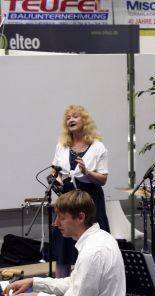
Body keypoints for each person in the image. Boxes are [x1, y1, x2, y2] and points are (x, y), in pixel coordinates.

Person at [3, 190, 125, 296]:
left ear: (80, 217)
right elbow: (74, 284)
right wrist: (34, 282)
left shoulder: (92, 253)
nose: (56, 223)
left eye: (62, 218)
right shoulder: (103, 237)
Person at [51, 105, 110, 278]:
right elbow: (55, 171)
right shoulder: (62, 146)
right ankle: (58, 292)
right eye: (68, 117)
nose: (71, 119)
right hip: (68, 200)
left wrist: (87, 172)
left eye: (75, 116)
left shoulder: (98, 147)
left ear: (85, 121)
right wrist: (58, 180)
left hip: (90, 200)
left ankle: (88, 287)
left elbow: (103, 179)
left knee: (90, 248)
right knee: (63, 251)